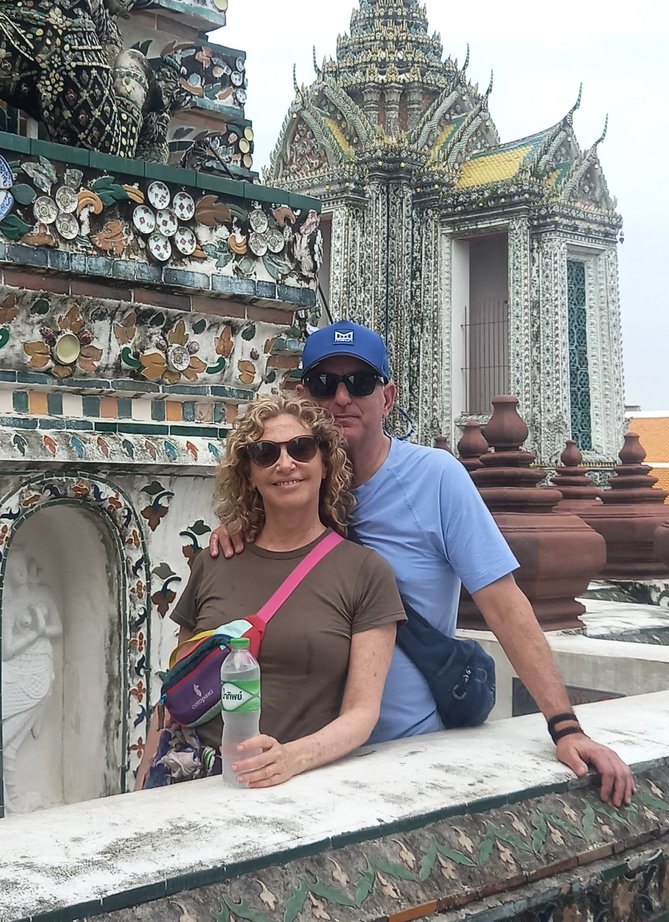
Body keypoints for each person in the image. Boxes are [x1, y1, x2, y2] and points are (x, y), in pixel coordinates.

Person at [212, 322, 634, 807]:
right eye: (325, 385)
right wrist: (238, 524)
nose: (342, 398)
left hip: (404, 747)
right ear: (304, 399)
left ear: (387, 397)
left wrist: (564, 726)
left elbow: (504, 604)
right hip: (299, 751)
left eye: (361, 383)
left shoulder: (435, 478)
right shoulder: (284, 487)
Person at [137, 391, 405, 790]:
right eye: (265, 452)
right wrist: (143, 781)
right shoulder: (214, 561)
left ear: (325, 461)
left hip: (293, 784)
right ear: (249, 472)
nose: (285, 463)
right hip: (192, 779)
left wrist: (291, 759)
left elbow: (361, 713)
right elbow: (180, 686)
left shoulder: (365, 573)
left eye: (301, 448)